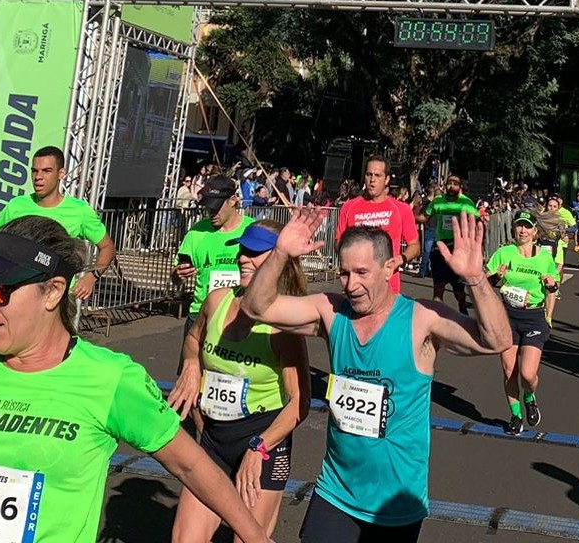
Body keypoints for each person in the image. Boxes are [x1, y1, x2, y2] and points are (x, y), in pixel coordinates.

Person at [0, 216, 273, 543]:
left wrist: (255, 537)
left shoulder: (110, 378)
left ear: (53, 292)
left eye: (0, 289)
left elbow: (189, 465)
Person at [241, 206, 509, 542]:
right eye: (344, 273)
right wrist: (280, 253)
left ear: (389, 268)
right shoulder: (331, 310)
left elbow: (497, 340)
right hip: (336, 490)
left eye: (362, 273)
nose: (351, 285)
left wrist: (475, 279)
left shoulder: (421, 319)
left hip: (395, 502)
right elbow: (255, 308)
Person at [169, 223, 310, 543]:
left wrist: (258, 448)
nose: (243, 258)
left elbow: (299, 403)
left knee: (248, 539)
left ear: (279, 258)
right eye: (242, 250)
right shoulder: (217, 301)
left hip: (262, 442)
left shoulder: (282, 325)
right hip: (214, 439)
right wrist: (191, 364)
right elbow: (193, 339)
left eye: (254, 252)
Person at [0, 146, 116, 302]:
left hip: (56, 298)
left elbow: (108, 247)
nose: (38, 177)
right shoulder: (16, 206)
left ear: (61, 174)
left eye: (46, 171)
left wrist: (92, 277)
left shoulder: (79, 211)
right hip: (17, 294)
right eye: (34, 171)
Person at [486, 211, 560, 433]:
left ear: (535, 232)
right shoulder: (504, 253)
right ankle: (516, 415)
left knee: (527, 374)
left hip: (533, 317)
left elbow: (554, 287)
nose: (522, 230)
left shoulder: (544, 257)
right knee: (509, 371)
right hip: (507, 316)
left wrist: (551, 285)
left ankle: (529, 396)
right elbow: (486, 284)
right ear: (514, 229)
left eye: (527, 227)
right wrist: (497, 276)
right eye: (519, 226)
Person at [175, 177, 255, 363]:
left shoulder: (252, 229)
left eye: (216, 206)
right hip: (200, 315)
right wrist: (178, 274)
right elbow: (176, 275)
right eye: (208, 207)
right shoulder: (196, 233)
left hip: (239, 315)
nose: (211, 212)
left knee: (232, 379)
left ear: (233, 200)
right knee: (189, 379)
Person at [335, 156, 421, 295]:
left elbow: (415, 246)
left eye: (377, 175)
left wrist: (399, 259)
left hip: (388, 287)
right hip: (356, 286)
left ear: (386, 179)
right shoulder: (349, 207)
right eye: (369, 175)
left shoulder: (401, 209)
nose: (372, 180)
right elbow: (338, 241)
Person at [425, 174, 480, 313]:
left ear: (460, 187)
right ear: (445, 185)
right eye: (449, 183)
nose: (452, 186)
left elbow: (478, 221)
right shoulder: (438, 202)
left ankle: (462, 306)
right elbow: (423, 216)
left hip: (458, 250)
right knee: (438, 288)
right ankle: (436, 320)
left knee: (458, 291)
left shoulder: (466, 203)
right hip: (440, 248)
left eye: (455, 184)